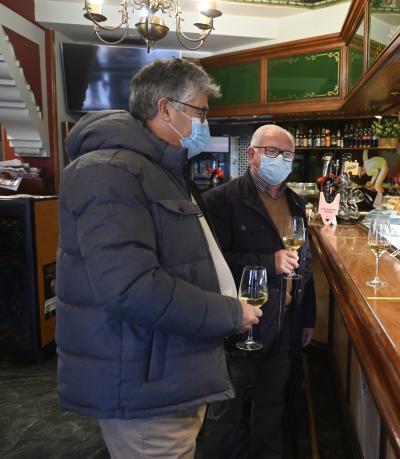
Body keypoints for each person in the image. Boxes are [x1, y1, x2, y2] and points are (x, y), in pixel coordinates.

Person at [56, 58, 262, 459]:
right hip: (144, 382)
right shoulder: (109, 171)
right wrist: (229, 314)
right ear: (167, 109)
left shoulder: (157, 168)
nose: (205, 123)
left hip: (169, 371)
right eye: (201, 112)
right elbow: (132, 288)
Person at [199, 124, 317, 459]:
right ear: (252, 154)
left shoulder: (295, 202)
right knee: (224, 417)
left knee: (270, 413)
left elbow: (304, 266)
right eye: (272, 151)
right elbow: (213, 264)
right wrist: (269, 261)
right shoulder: (221, 200)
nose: (281, 158)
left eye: (288, 154)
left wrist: (307, 317)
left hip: (282, 327)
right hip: (238, 328)